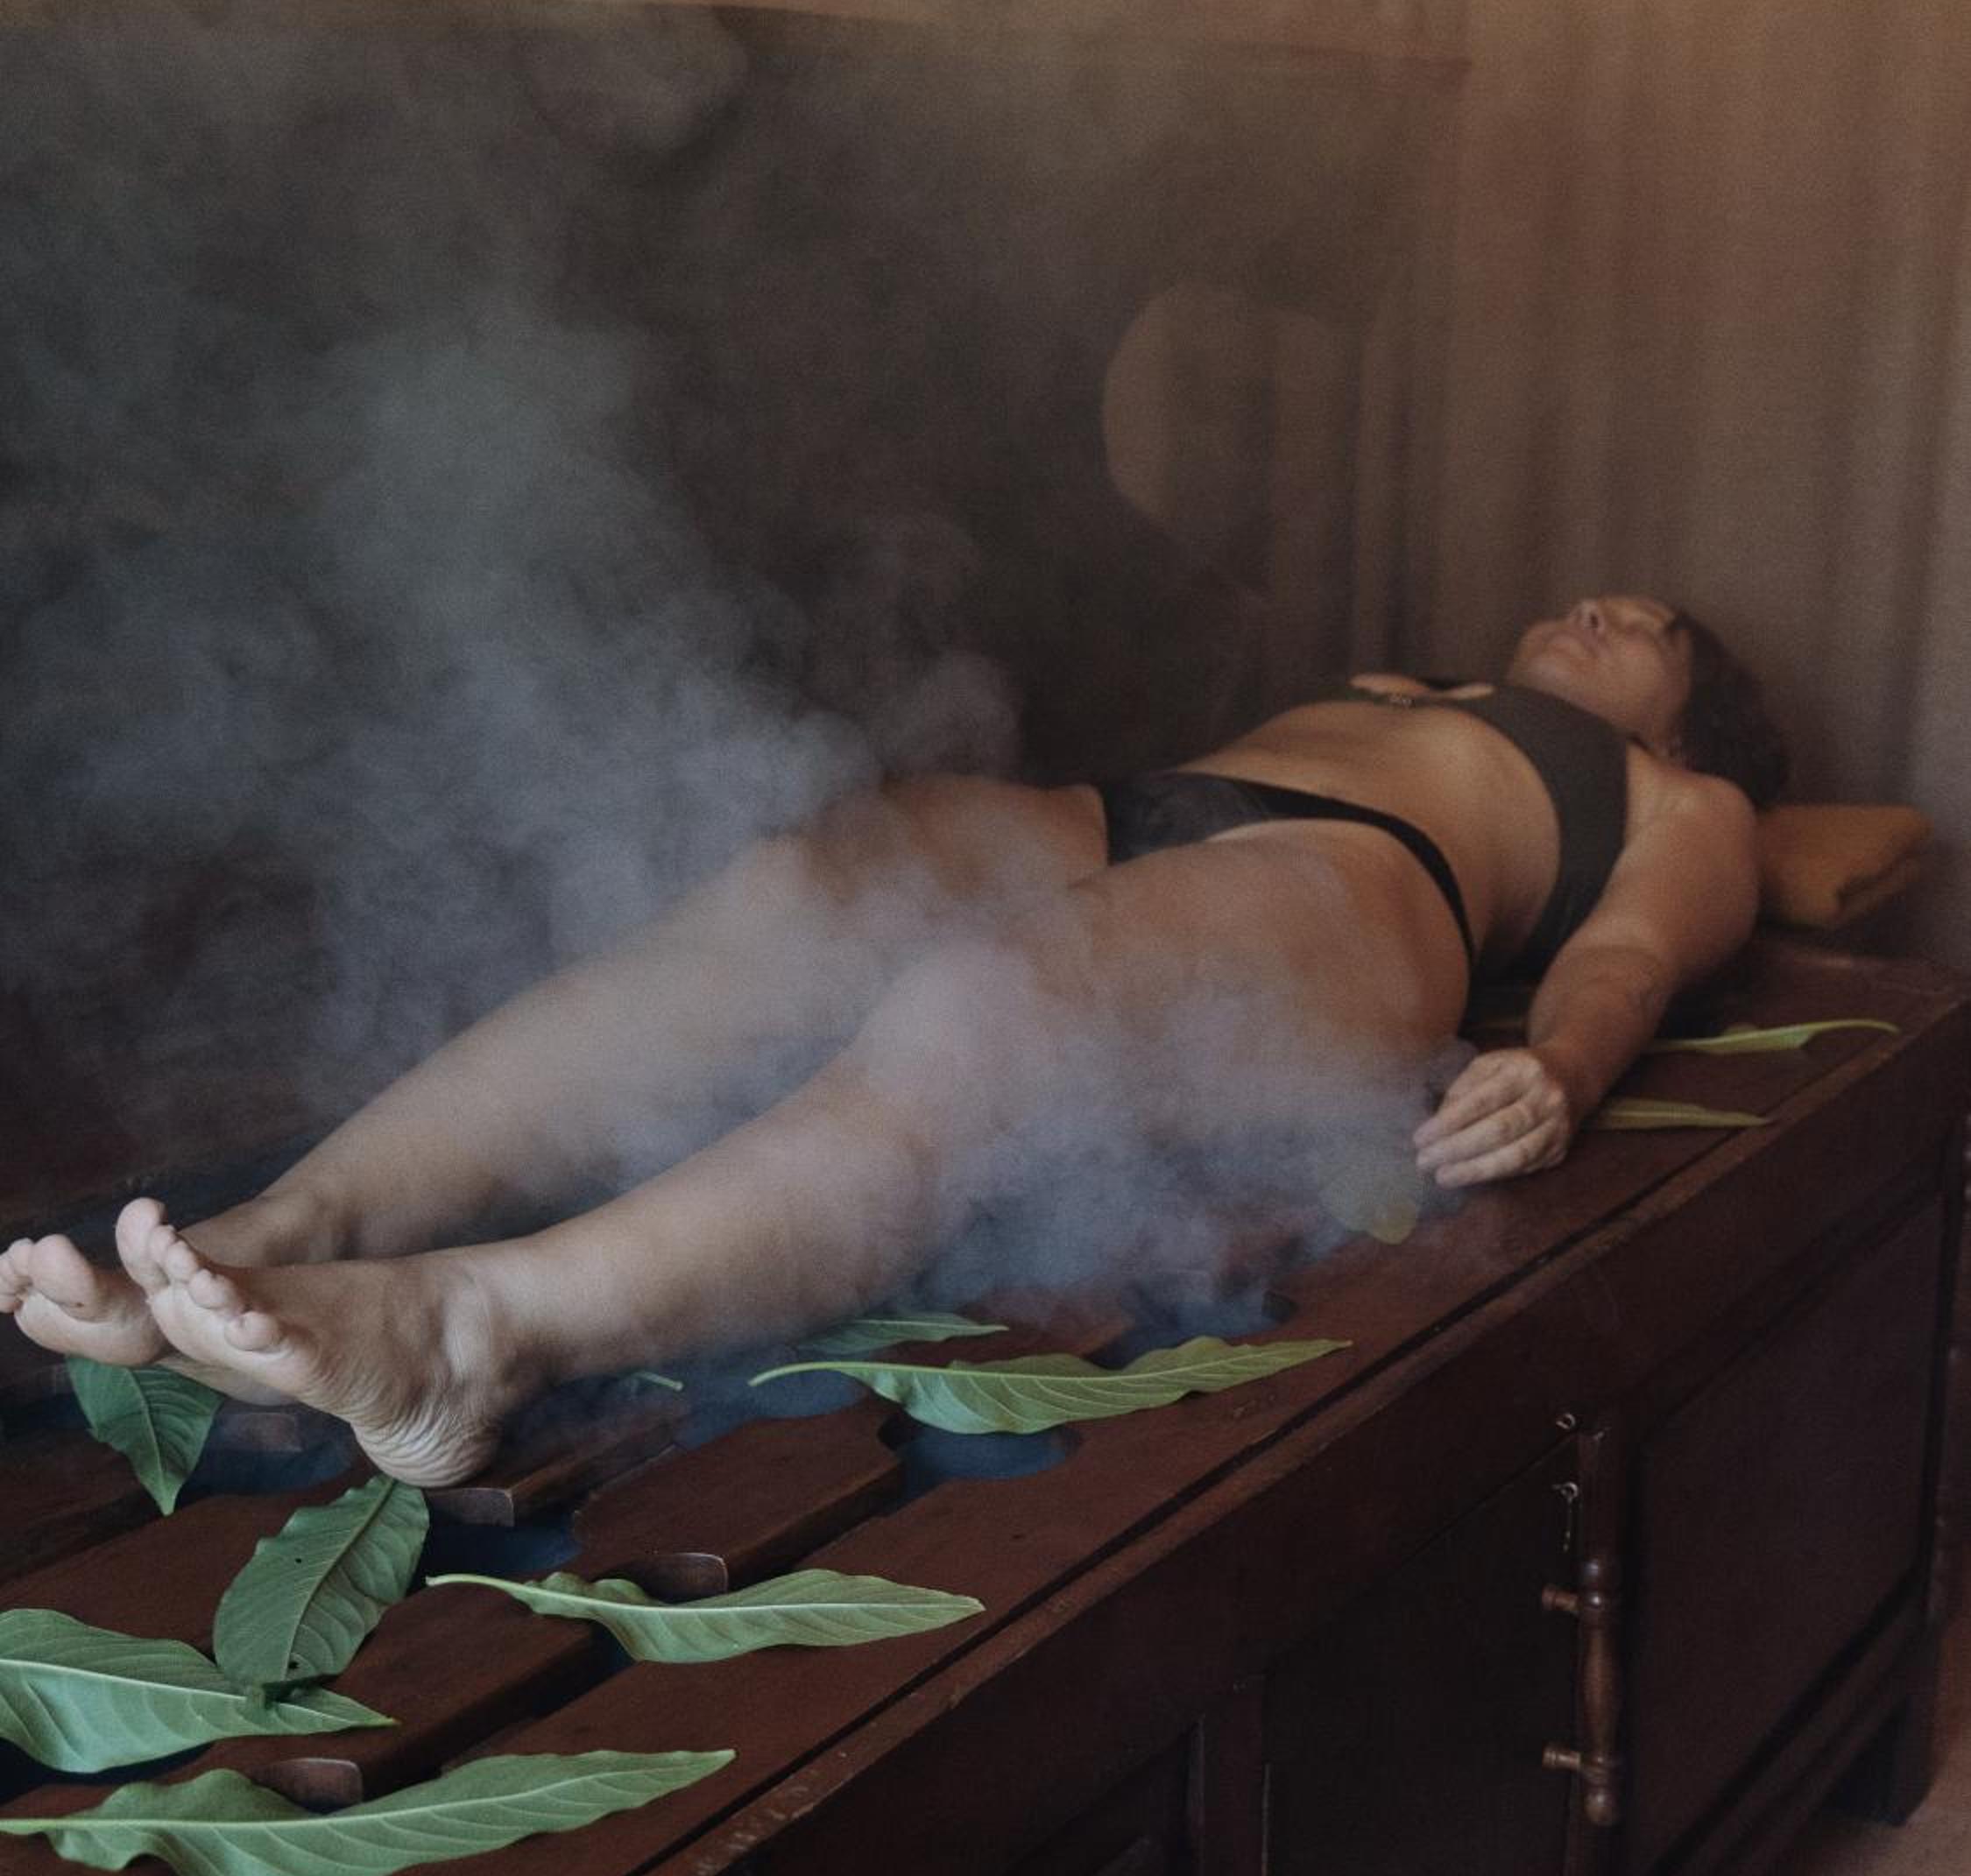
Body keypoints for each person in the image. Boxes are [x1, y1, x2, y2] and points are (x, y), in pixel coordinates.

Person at [2, 595, 1785, 1486]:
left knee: (996, 1007)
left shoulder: (1680, 799)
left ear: (1688, 716)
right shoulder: (1410, 682)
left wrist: (1560, 1067)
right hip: (1121, 812)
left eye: (1657, 626)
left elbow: (1630, 959)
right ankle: (276, 1235)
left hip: (1365, 893)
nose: (1612, 609)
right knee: (788, 889)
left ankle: (480, 1332)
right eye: (1600, 592)